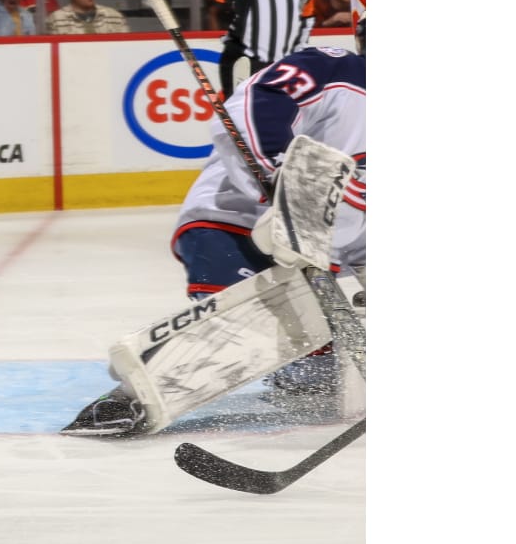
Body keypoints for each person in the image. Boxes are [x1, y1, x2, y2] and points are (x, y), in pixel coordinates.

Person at [63, 43, 365, 435]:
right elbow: (259, 100)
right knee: (241, 329)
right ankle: (130, 399)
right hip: (237, 221)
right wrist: (280, 171)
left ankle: (302, 368)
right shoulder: (338, 68)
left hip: (315, 256)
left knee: (315, 375)